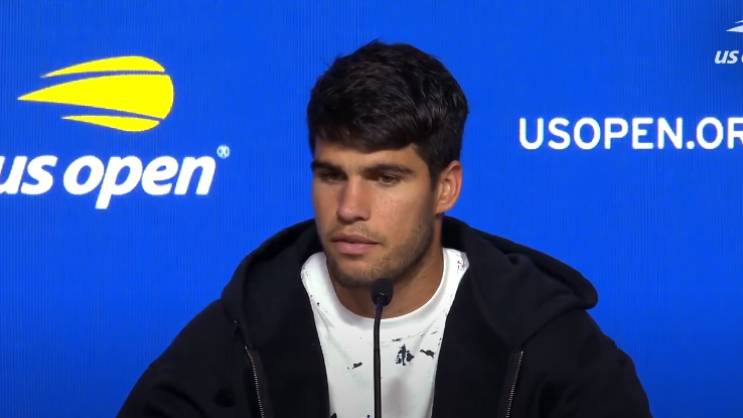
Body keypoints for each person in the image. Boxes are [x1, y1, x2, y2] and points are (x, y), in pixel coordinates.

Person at [118, 41, 652, 418]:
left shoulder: (549, 343)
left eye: (385, 178)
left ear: (446, 188)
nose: (350, 208)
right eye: (332, 176)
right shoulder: (234, 339)